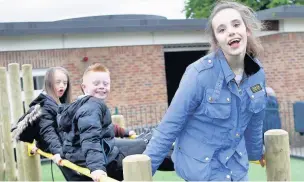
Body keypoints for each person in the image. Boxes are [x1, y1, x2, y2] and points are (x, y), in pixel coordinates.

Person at [143, 0, 267, 181]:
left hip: (236, 168)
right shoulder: (199, 75)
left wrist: (256, 153)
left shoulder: (257, 73)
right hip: (203, 171)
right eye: (222, 29)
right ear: (216, 40)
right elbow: (169, 126)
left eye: (236, 24)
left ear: (247, 30)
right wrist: (142, 172)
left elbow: (256, 119)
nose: (231, 31)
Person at [59, 63, 173, 181]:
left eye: (105, 83)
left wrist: (124, 132)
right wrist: (97, 168)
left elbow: (99, 128)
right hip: (105, 162)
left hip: (91, 154)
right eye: (96, 83)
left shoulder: (82, 104)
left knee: (146, 138)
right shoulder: (92, 106)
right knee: (151, 143)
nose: (102, 86)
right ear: (84, 87)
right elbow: (90, 139)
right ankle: (185, 162)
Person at [12, 67, 77, 181]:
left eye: (65, 83)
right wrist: (58, 152)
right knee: (77, 177)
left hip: (64, 146)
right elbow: (48, 131)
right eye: (58, 82)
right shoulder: (45, 106)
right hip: (61, 150)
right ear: (48, 83)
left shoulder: (58, 103)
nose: (62, 85)